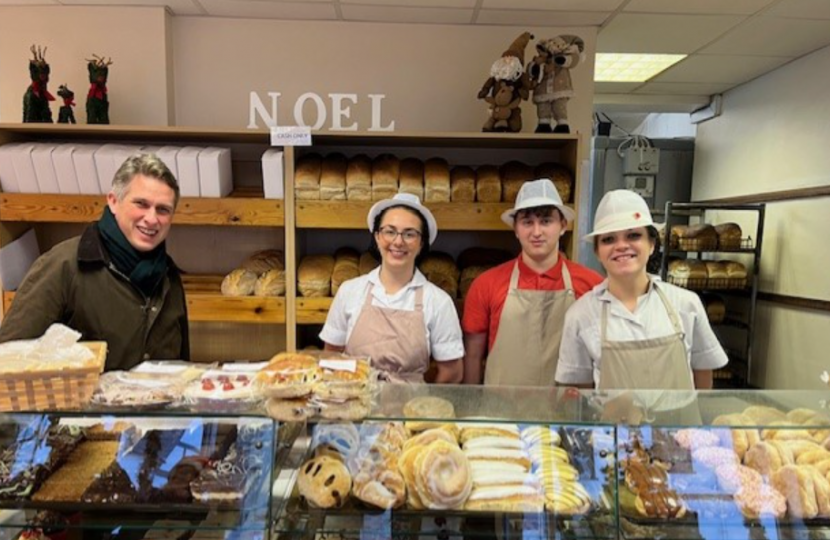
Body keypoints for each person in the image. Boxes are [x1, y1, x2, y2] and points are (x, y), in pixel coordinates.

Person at [0, 153, 189, 371]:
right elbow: (7, 361)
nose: (152, 218)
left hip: (157, 405)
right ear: (113, 201)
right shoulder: (63, 266)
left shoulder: (169, 276)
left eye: (163, 209)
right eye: (141, 204)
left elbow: (181, 370)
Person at [555, 189, 728, 391]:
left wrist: (696, 422)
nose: (621, 246)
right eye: (608, 239)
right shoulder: (581, 314)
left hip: (680, 423)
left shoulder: (686, 304)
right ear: (597, 252)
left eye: (633, 235)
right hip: (613, 423)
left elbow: (703, 372)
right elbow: (581, 392)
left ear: (652, 244)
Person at [462, 179, 603, 386]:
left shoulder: (592, 285)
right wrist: (473, 412)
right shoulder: (486, 284)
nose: (536, 232)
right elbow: (473, 358)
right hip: (500, 412)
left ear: (563, 226)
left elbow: (603, 359)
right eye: (527, 222)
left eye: (546, 221)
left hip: (567, 414)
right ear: (516, 229)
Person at [320, 193, 464, 383]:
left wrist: (424, 406)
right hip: (355, 406)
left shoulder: (438, 302)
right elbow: (331, 357)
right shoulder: (350, 291)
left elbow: (452, 371)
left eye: (409, 234)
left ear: (421, 243)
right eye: (390, 231)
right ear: (377, 237)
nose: (398, 242)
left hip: (410, 409)